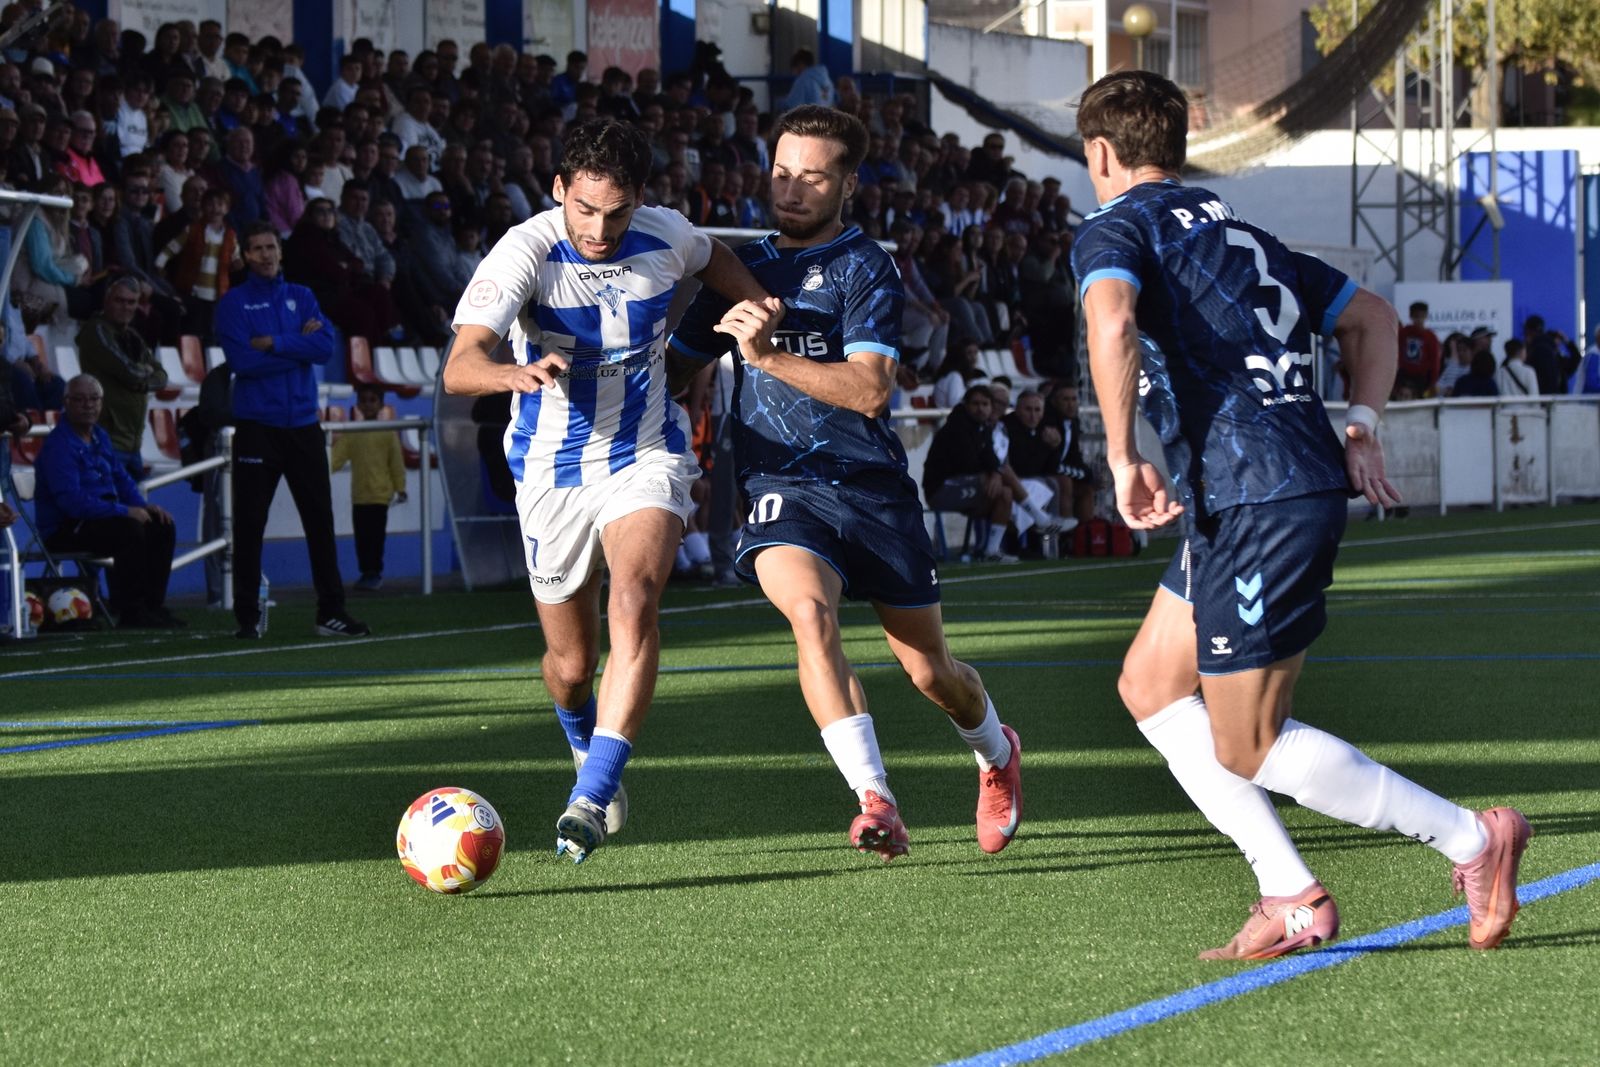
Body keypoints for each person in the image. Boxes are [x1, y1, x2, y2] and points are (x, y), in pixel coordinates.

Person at [1072, 70, 1529, 959]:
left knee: (1247, 743)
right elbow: (1373, 317)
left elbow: (1113, 323)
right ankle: (1290, 892)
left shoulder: (1115, 226)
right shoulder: (1245, 232)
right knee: (1152, 685)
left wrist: (1123, 456)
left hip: (1256, 492)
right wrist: (1362, 424)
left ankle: (1471, 837)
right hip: (1256, 487)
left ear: (1100, 153)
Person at [668, 105, 1024, 861]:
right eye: (781, 172)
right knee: (809, 613)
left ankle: (997, 753)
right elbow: (672, 371)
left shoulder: (867, 267)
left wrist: (768, 356)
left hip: (871, 487)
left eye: (813, 177)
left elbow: (869, 390)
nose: (791, 190)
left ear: (849, 184)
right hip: (781, 484)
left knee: (931, 671)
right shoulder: (740, 271)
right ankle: (875, 799)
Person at [442, 118, 768, 864]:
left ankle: (591, 794)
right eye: (583, 208)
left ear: (639, 200)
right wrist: (513, 372)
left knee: (635, 598)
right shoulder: (525, 250)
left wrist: (755, 302)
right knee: (568, 668)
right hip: (552, 471)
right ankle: (581, 739)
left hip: (645, 452)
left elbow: (715, 255)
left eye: (614, 213)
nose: (597, 228)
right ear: (559, 188)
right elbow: (461, 366)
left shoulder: (666, 234)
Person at [216, 220, 369, 640]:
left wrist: (276, 343)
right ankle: (248, 619)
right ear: (245, 256)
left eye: (271, 247)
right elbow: (243, 363)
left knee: (320, 521)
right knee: (250, 525)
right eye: (257, 249)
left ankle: (331, 613)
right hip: (257, 427)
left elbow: (324, 347)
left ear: (280, 251)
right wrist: (298, 345)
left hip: (303, 425)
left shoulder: (302, 296)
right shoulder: (233, 304)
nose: (266, 255)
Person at [34, 374, 183, 628]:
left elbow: (121, 479)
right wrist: (124, 511)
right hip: (66, 527)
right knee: (129, 530)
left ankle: (152, 606)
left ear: (102, 403)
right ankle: (131, 610)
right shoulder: (59, 446)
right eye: (80, 399)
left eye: (94, 399)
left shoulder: (100, 436)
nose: (88, 405)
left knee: (161, 525)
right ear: (66, 403)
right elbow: (73, 503)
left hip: (99, 518)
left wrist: (143, 506)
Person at [76, 276, 167, 481]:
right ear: (107, 300)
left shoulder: (132, 336)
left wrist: (142, 379)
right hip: (107, 442)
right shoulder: (96, 331)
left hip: (132, 444)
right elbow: (129, 372)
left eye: (131, 302)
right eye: (120, 300)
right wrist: (145, 373)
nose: (126, 307)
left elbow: (162, 376)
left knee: (135, 500)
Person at [331, 383, 406, 592]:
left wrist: (400, 487)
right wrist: (320, 471)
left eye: (372, 400)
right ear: (357, 405)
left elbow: (396, 463)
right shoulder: (353, 433)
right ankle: (366, 572)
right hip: (359, 496)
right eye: (363, 400)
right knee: (362, 538)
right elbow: (336, 458)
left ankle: (374, 573)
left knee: (376, 537)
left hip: (380, 496)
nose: (368, 405)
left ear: (381, 404)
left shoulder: (387, 433)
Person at [1396, 301, 1441, 396]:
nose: (1419, 320)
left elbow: (1434, 361)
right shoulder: (1403, 333)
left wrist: (1433, 381)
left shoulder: (1431, 337)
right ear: (1411, 316)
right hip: (1404, 374)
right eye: (1416, 316)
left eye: (1422, 316)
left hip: (1421, 377)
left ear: (1426, 316)